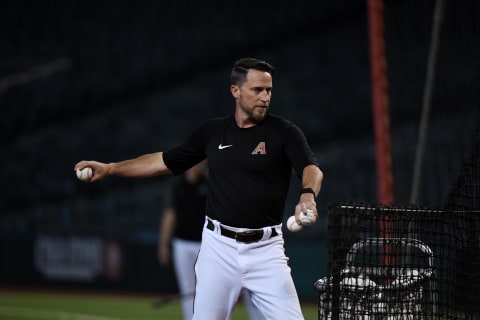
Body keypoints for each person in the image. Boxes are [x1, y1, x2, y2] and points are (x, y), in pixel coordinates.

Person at [75, 57, 324, 320]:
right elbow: (162, 161)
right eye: (257, 90)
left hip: (266, 250)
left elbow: (311, 168)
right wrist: (110, 168)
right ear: (235, 91)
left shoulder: (284, 133)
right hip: (218, 249)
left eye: (269, 90)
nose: (265, 96)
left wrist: (307, 195)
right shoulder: (212, 132)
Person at [158, 160, 265, 320]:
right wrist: (163, 243)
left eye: (199, 162)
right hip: (182, 242)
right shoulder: (177, 185)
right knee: (188, 288)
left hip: (207, 243)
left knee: (216, 287)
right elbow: (169, 214)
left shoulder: (209, 183)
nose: (196, 165)